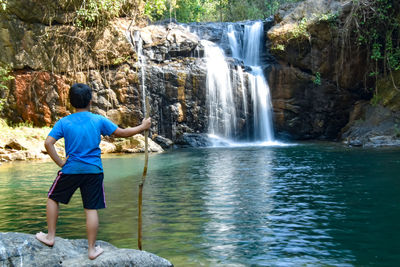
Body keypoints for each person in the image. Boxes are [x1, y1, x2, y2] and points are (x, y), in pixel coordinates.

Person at [35, 83, 151, 260]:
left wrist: (60, 162)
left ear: (71, 102)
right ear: (90, 101)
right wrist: (142, 128)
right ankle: (91, 249)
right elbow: (122, 133)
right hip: (94, 171)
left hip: (71, 170)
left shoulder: (64, 122)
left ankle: (50, 237)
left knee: (53, 198)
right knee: (91, 208)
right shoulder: (98, 120)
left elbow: (48, 143)